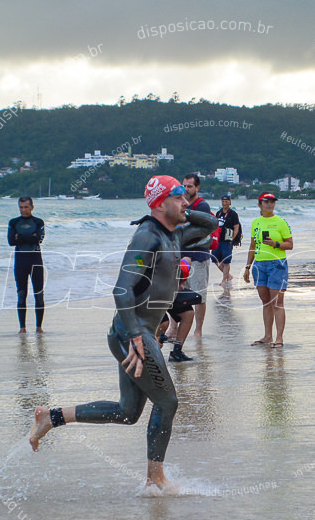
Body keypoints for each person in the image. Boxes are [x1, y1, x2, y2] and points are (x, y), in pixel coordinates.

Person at [28, 175, 217, 489]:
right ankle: (155, 479)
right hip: (133, 333)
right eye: (179, 197)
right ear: (160, 203)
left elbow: (210, 224)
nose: (186, 203)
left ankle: (51, 417)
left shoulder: (173, 233)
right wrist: (136, 338)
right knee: (168, 402)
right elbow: (121, 290)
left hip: (137, 331)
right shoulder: (148, 237)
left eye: (186, 197)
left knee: (128, 412)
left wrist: (183, 208)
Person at [243, 192, 293, 348]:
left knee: (277, 302)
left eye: (272, 202)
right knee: (265, 302)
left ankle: (279, 338)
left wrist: (275, 244)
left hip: (277, 264)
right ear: (260, 205)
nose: (269, 204)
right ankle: (267, 335)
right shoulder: (256, 222)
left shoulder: (281, 222)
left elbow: (290, 244)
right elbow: (252, 245)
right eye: (266, 202)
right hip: (259, 265)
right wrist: (247, 266)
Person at [7, 197, 45, 334]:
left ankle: (39, 327)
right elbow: (11, 241)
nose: (23, 210)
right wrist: (29, 237)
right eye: (21, 207)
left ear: (32, 207)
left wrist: (20, 237)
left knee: (39, 294)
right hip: (20, 262)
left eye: (26, 207)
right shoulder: (14, 222)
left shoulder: (38, 222)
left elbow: (39, 239)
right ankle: (22, 328)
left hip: (36, 262)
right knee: (22, 295)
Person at [181, 173, 213, 338]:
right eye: (184, 186)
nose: (186, 189)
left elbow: (195, 229)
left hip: (198, 257)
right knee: (178, 294)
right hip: (180, 256)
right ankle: (176, 328)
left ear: (197, 187)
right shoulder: (180, 204)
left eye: (190, 186)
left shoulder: (202, 206)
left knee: (199, 295)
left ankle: (198, 330)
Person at [158, 258, 203, 362]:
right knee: (164, 323)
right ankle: (149, 348)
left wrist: (181, 281)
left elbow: (187, 260)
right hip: (150, 292)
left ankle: (176, 352)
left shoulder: (172, 252)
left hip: (168, 291)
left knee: (188, 313)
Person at [213, 195, 241, 287]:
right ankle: (228, 276)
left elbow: (236, 227)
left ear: (230, 202)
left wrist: (232, 239)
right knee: (214, 259)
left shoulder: (233, 214)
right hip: (218, 240)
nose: (224, 203)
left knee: (226, 261)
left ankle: (224, 279)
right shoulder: (218, 213)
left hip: (227, 240)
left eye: (226, 201)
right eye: (223, 201)